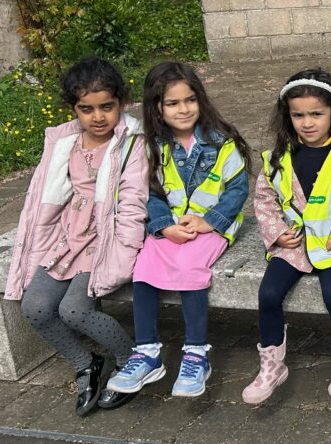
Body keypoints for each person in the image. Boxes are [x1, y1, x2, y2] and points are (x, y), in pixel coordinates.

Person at [4, 56, 147, 416]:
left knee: (74, 310)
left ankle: (131, 360)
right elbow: (46, 193)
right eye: (87, 109)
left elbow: (133, 201)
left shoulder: (131, 143)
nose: (98, 117)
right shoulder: (64, 141)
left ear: (121, 103)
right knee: (35, 307)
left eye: (106, 107)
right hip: (69, 237)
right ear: (73, 109)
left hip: (107, 237)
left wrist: (125, 250)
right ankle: (86, 363)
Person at [105, 61, 251, 400]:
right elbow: (150, 192)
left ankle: (197, 353)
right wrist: (164, 226)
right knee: (143, 268)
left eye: (190, 100)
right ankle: (147, 352)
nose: (183, 109)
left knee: (189, 268)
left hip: (214, 225)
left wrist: (209, 221)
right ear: (156, 107)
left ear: (200, 99)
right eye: (172, 103)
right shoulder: (151, 146)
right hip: (171, 226)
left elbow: (237, 189)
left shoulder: (222, 142)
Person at [244, 68, 331, 404]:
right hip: (296, 244)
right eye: (298, 115)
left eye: (316, 114)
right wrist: (277, 234)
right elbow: (265, 200)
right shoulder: (277, 158)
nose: (307, 123)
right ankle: (272, 365)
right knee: (269, 293)